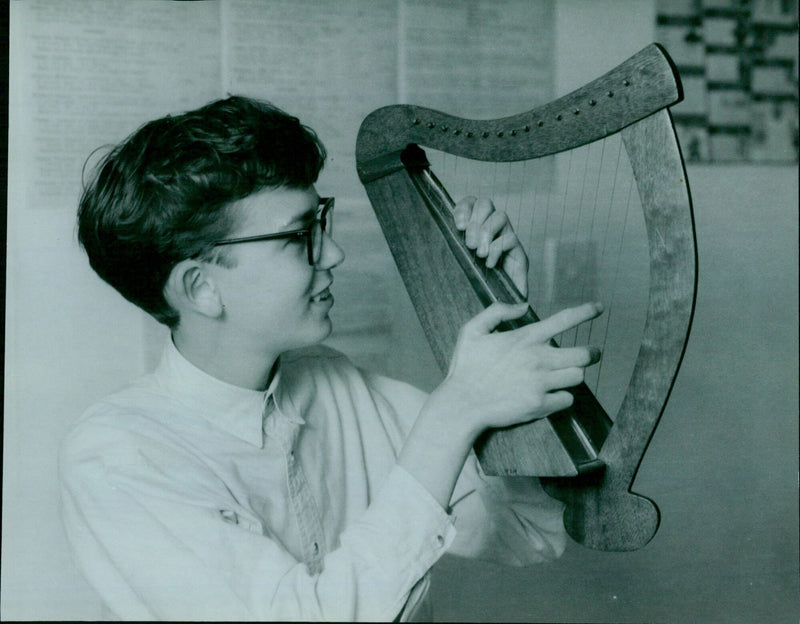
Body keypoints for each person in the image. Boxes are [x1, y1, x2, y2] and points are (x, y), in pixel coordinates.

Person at [61, 95, 602, 621]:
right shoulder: (118, 456)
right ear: (202, 288)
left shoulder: (333, 381)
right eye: (301, 237)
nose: (335, 253)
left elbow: (532, 535)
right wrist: (452, 415)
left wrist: (501, 309)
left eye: (322, 221)